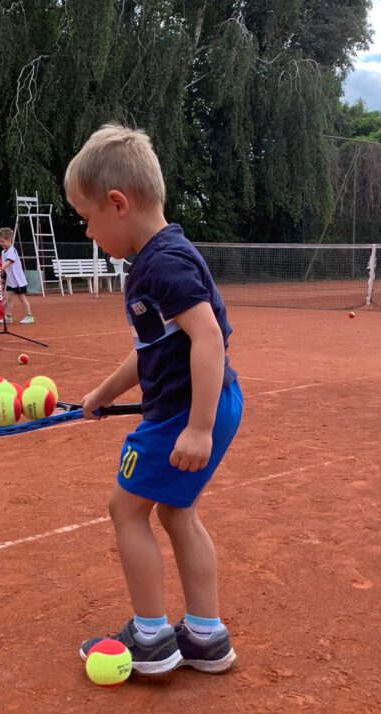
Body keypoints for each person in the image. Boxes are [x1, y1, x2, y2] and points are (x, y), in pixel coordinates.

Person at [66, 124, 243, 676]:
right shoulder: (159, 257)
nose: (89, 233)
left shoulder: (161, 265)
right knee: (177, 511)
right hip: (203, 405)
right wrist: (101, 393)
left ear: (118, 204)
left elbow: (209, 337)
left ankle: (150, 637)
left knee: (126, 509)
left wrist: (198, 427)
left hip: (189, 413)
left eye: (87, 219)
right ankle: (206, 636)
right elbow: (151, 352)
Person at [0, 227, 34, 324]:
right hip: (10, 281)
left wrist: (0, 269)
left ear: (9, 240)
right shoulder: (3, 252)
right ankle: (8, 317)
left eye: (2, 241)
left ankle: (29, 316)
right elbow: (4, 266)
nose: (1, 244)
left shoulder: (12, 250)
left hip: (18, 280)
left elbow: (9, 262)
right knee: (8, 298)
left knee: (22, 298)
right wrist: (2, 277)